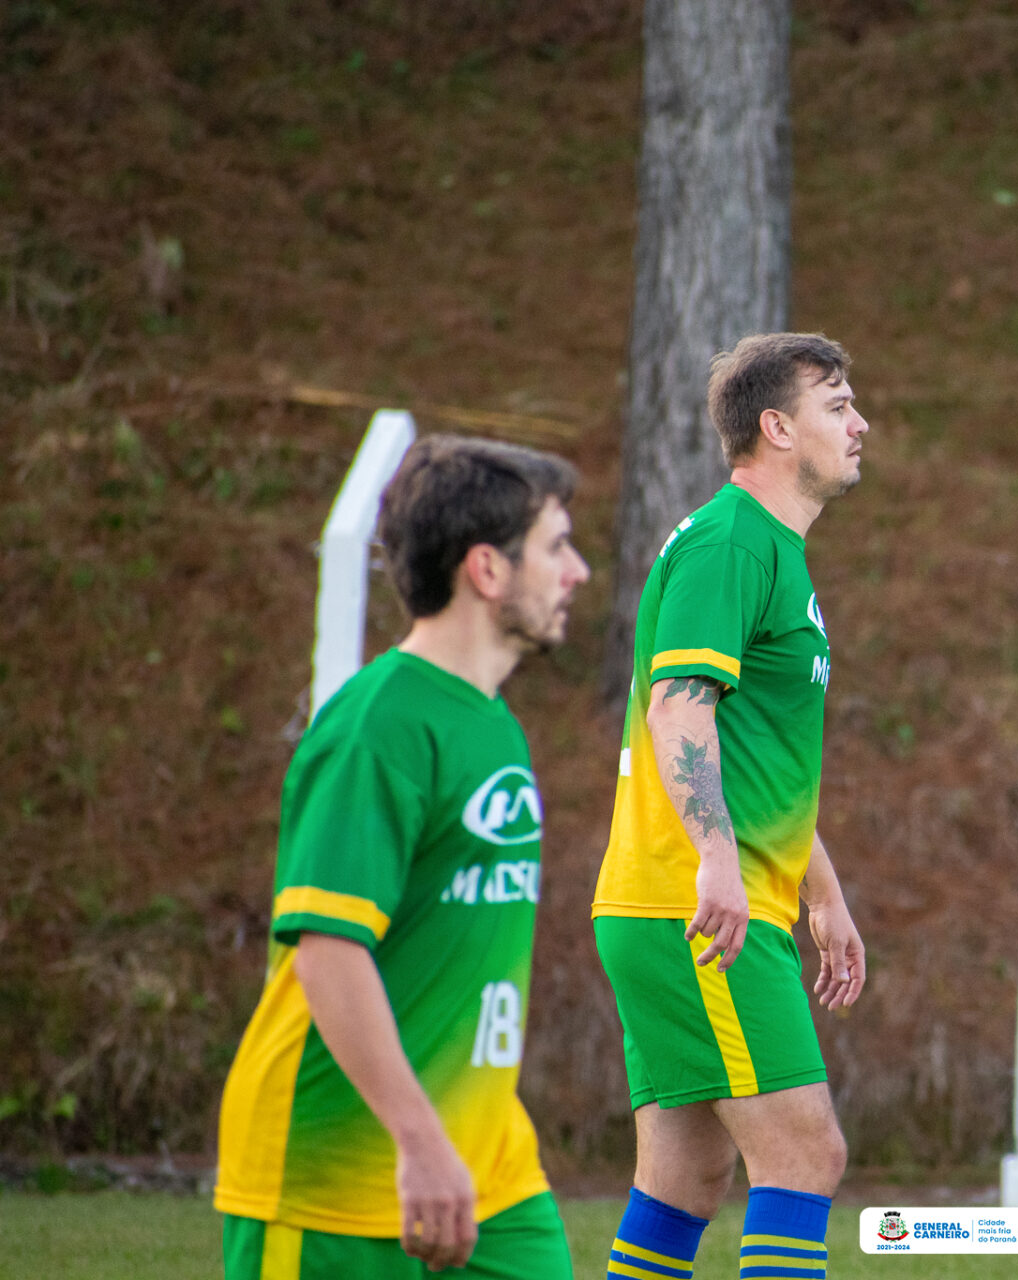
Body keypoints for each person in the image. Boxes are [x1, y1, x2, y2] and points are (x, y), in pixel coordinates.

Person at [214, 435, 590, 1279]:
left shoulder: (494, 725)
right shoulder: (375, 727)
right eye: (557, 547)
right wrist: (418, 1144)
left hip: (491, 1173)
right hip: (334, 1182)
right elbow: (330, 953)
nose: (579, 573)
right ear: (487, 570)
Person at [592, 332, 870, 1280]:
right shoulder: (731, 543)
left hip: (700, 900)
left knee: (684, 1179)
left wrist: (821, 892)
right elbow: (681, 708)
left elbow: (756, 762)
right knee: (805, 1154)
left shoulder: (769, 551)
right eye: (837, 405)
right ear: (777, 427)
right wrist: (716, 863)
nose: (859, 423)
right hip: (700, 907)